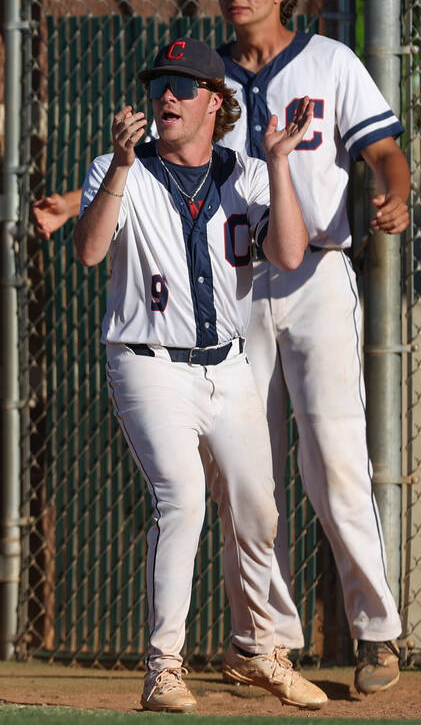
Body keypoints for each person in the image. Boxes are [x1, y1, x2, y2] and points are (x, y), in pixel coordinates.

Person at [71, 37, 327, 712]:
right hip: (147, 363)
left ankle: (255, 649)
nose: (167, 97)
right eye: (160, 84)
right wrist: (123, 166)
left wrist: (278, 163)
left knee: (259, 507)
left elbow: (291, 252)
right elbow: (91, 252)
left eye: (184, 86)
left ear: (217, 102)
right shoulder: (115, 164)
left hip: (231, 367)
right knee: (181, 497)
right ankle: (164, 665)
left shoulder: (245, 174)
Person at [205, 0, 408, 694]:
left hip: (317, 275)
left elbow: (383, 148)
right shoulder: (205, 74)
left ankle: (377, 634)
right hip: (235, 283)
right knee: (245, 475)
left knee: (334, 463)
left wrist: (398, 187)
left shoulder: (330, 63)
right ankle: (265, 640)